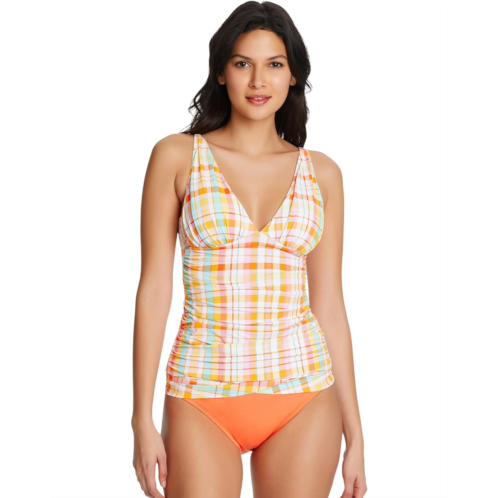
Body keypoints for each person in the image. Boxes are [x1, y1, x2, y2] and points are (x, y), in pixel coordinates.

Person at [132, 2, 367, 497]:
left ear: (293, 75)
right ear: (221, 71)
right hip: (201, 393)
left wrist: (356, 433)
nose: (259, 80)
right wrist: (140, 420)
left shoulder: (322, 173)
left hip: (304, 393)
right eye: (243, 63)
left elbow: (329, 304)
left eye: (274, 64)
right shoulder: (177, 156)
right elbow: (154, 291)